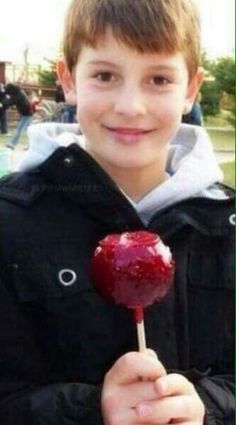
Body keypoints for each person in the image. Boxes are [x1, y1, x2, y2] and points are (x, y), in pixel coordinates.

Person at [0, 0, 234, 424]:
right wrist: (93, 410)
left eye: (159, 78)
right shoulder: (10, 222)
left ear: (191, 90)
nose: (131, 106)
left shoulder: (226, 227)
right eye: (105, 75)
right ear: (68, 79)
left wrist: (209, 408)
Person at [3, 83, 33, 149]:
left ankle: (12, 144)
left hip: (27, 114)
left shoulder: (18, 95)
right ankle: (30, 145)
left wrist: (3, 101)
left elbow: (8, 102)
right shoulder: (19, 92)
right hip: (25, 113)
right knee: (28, 129)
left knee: (19, 129)